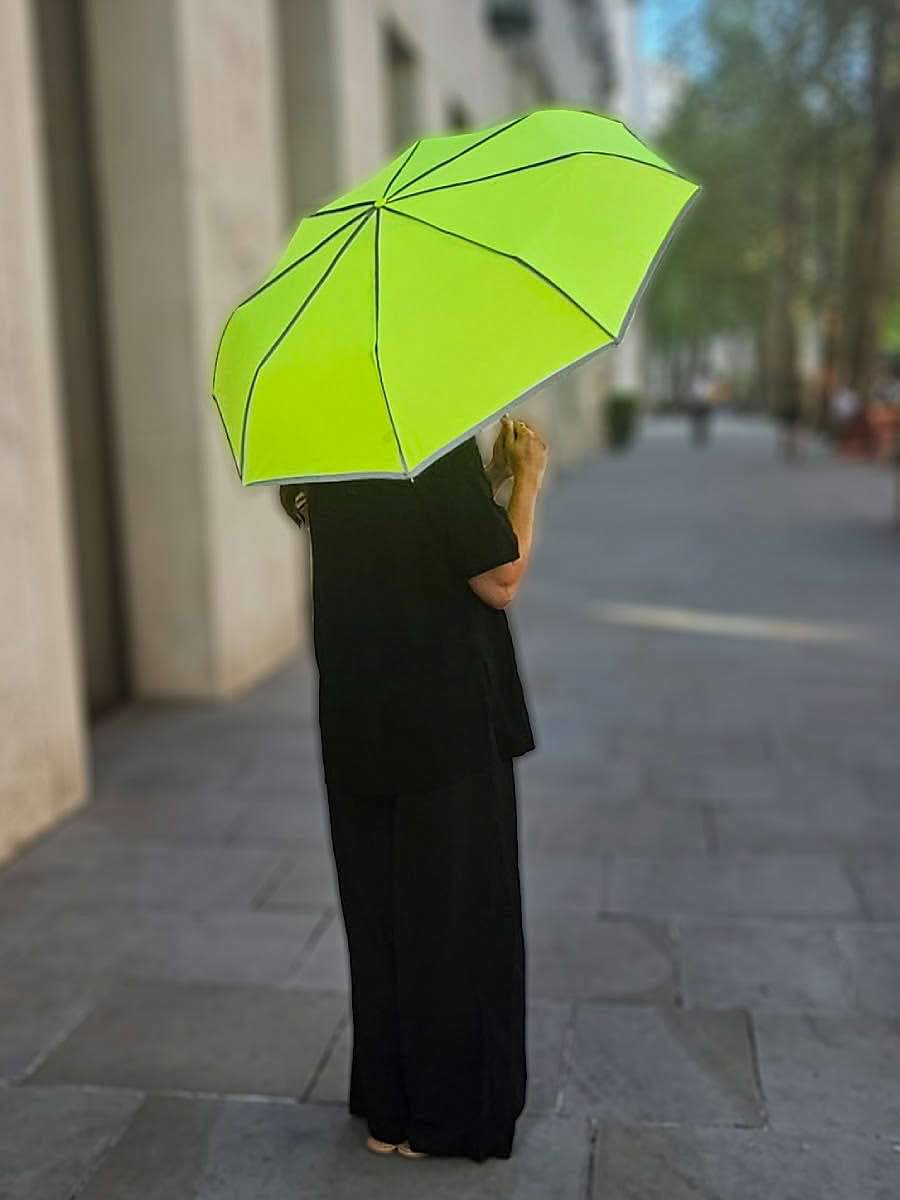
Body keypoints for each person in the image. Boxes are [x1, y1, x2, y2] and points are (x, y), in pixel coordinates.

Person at [279, 415, 547, 1163]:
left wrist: (486, 481)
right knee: (455, 916)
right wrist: (527, 480)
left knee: (383, 915)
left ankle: (391, 1112)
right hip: (444, 716)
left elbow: (401, 536)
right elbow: (498, 578)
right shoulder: (429, 435)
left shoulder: (322, 445)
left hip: (359, 712)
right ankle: (445, 1116)